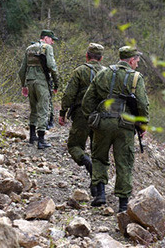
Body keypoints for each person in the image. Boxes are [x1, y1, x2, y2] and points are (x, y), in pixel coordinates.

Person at [82, 46, 149, 212]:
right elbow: (142, 104)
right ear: (131, 60)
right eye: (137, 61)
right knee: (124, 162)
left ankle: (100, 195)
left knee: (99, 157)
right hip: (125, 125)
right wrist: (143, 124)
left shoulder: (103, 73)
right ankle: (123, 204)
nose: (138, 65)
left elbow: (88, 100)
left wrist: (92, 117)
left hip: (103, 122)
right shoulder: (135, 78)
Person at [59, 43, 105, 196]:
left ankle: (86, 161)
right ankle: (98, 189)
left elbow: (69, 94)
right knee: (98, 151)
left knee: (74, 145)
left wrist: (62, 112)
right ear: (101, 58)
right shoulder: (107, 74)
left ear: (87, 56)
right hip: (101, 116)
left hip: (81, 115)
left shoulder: (80, 71)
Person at [18, 30, 59, 149]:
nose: (52, 42)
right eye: (52, 39)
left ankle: (32, 136)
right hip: (42, 82)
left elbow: (22, 70)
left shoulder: (29, 49)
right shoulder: (47, 48)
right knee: (43, 108)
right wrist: (56, 84)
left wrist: (23, 85)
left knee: (34, 108)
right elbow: (52, 67)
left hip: (30, 82)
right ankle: (41, 140)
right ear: (46, 38)